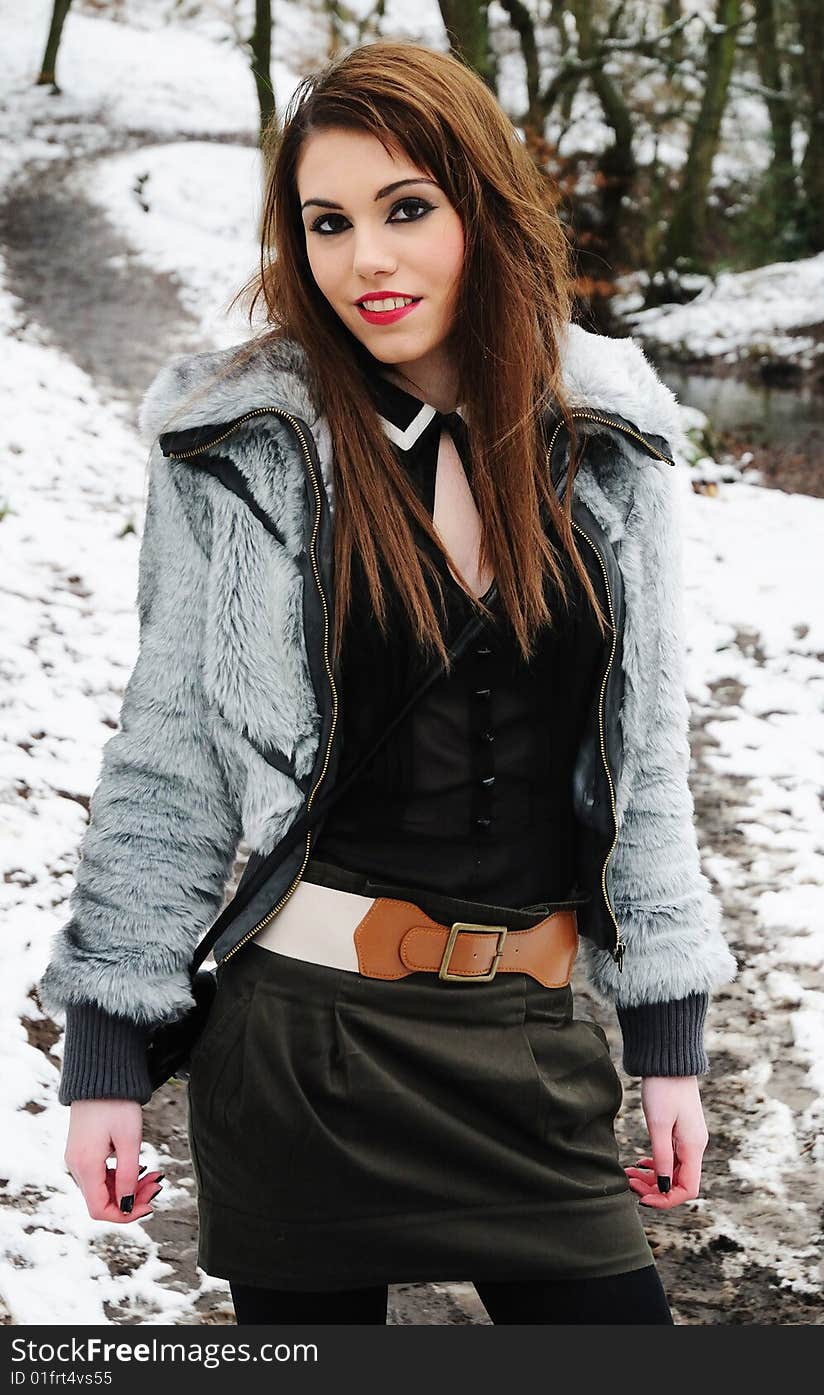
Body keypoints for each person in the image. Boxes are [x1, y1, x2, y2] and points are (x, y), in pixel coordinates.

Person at [38, 40, 737, 1326]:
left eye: (406, 208)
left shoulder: (611, 442)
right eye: (328, 222)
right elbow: (169, 757)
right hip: (304, 1049)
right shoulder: (239, 447)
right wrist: (108, 1056)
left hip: (530, 1043)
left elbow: (645, 757)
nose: (368, 259)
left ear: (482, 206)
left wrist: (667, 1040)